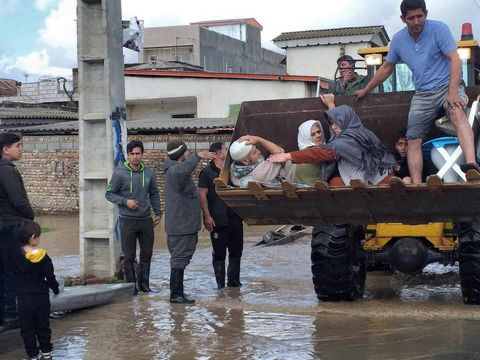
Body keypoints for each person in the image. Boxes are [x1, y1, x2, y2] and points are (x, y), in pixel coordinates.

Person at [355, 0, 478, 183]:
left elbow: (455, 58)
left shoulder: (439, 29)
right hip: (423, 93)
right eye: (411, 18)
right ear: (403, 19)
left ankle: (471, 166)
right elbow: (387, 67)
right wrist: (366, 89)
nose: (416, 21)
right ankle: (417, 185)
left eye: (420, 16)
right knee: (412, 138)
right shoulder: (398, 40)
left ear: (426, 14)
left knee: (458, 113)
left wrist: (452, 92)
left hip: (447, 86)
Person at [269, 94, 397, 186]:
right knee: (335, 183)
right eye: (331, 124)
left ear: (344, 121)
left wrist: (287, 156)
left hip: (379, 181)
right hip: (374, 177)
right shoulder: (358, 131)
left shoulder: (349, 138)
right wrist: (331, 105)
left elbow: (326, 152)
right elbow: (335, 138)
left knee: (336, 184)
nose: (333, 127)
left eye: (336, 123)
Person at [105, 140, 161, 293]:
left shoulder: (149, 173)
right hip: (127, 221)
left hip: (146, 221)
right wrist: (125, 201)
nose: (135, 157)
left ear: (142, 155)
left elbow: (154, 193)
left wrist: (158, 212)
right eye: (132, 154)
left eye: (138, 154)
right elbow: (109, 194)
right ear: (128, 155)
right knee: (129, 257)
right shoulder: (119, 173)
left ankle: (144, 285)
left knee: (146, 254)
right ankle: (131, 288)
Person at [163, 141, 215, 304]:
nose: (187, 155)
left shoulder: (176, 171)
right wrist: (198, 156)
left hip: (183, 225)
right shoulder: (173, 171)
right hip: (180, 226)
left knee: (181, 258)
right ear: (181, 154)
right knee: (178, 259)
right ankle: (176, 294)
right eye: (186, 152)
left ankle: (178, 293)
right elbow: (183, 170)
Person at [0, 132, 35, 333]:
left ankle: (5, 315)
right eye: (18, 146)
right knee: (13, 271)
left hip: (4, 226)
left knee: (4, 271)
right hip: (12, 226)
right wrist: (31, 216)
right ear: (6, 149)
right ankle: (12, 315)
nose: (20, 149)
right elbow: (18, 200)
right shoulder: (7, 170)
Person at [199, 142, 244, 289]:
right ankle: (220, 286)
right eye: (225, 149)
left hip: (235, 217)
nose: (228, 151)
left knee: (236, 251)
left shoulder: (232, 171)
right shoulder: (206, 173)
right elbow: (202, 195)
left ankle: (234, 284)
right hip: (217, 219)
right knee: (219, 254)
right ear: (218, 154)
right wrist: (207, 217)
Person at [12, 220, 59, 360]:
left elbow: (11, 275)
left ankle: (32, 355)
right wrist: (56, 289)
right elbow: (50, 277)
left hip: (23, 298)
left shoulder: (14, 256)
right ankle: (46, 353)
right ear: (33, 238)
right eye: (38, 236)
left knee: (27, 329)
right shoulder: (43, 256)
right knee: (43, 326)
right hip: (41, 297)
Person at [229, 135, 294, 188]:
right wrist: (259, 139)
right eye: (254, 152)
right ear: (245, 161)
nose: (259, 152)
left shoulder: (234, 169)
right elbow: (280, 152)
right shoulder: (261, 172)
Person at [294, 120, 336, 186]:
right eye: (313, 134)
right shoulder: (308, 153)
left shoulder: (322, 148)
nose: (318, 135)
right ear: (306, 137)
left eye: (319, 132)